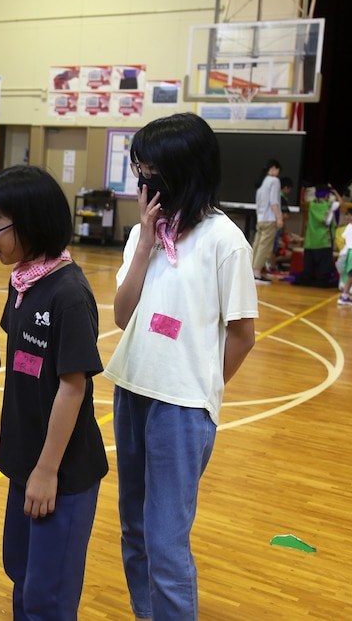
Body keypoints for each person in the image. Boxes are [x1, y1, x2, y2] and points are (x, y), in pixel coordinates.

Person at [104, 113, 258, 620]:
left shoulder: (225, 240)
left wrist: (203, 390)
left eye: (150, 171)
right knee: (134, 531)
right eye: (139, 170)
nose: (143, 182)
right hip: (131, 390)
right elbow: (123, 315)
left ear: (183, 172)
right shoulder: (143, 235)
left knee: (167, 544)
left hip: (182, 408)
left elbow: (242, 335)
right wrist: (145, 244)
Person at [0, 165, 107, 621]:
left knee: (48, 595)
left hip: (61, 470)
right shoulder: (22, 280)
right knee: (21, 573)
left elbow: (72, 386)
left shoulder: (69, 293)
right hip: (23, 454)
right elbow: (22, 370)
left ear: (30, 222)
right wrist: (5, 429)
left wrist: (47, 470)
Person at [294, 185, 342, 288]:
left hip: (311, 239)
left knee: (309, 264)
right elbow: (341, 203)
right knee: (324, 265)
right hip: (324, 240)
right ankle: (321, 281)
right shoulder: (329, 205)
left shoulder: (311, 204)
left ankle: (308, 279)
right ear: (327, 195)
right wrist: (335, 191)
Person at [250, 159, 283, 284]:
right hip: (270, 218)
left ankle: (251, 270)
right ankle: (257, 273)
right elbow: (274, 201)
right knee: (265, 247)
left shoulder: (262, 182)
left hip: (261, 218)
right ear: (274, 168)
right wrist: (279, 218)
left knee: (257, 245)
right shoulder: (274, 181)